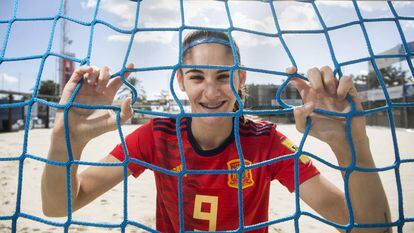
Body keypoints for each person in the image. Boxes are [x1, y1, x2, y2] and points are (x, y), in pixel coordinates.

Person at [41, 30, 391, 233]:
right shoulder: (157, 135)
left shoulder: (265, 142)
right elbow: (59, 206)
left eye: (223, 76)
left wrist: (352, 146)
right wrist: (65, 140)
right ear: (180, 81)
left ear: (241, 79)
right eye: (197, 77)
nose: (211, 92)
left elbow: (370, 227)